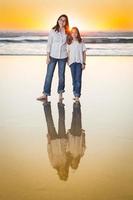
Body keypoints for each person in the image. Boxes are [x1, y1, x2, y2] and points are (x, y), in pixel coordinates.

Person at [37, 14, 70, 102]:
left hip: (63, 56)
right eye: (61, 19)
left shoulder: (67, 32)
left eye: (64, 20)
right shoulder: (52, 31)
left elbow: (69, 45)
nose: (62, 21)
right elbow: (49, 44)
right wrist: (47, 57)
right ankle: (45, 94)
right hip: (52, 56)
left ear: (66, 22)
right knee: (49, 75)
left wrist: (69, 57)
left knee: (61, 76)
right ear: (58, 20)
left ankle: (60, 94)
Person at [67, 27, 86, 102]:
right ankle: (75, 93)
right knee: (74, 79)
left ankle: (77, 95)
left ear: (78, 33)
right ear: (71, 34)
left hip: (79, 63)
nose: (74, 34)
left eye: (75, 32)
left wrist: (84, 63)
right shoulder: (69, 43)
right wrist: (68, 61)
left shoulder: (81, 42)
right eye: (72, 32)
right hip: (72, 63)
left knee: (78, 79)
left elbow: (84, 53)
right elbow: (68, 53)